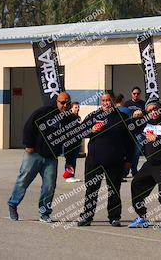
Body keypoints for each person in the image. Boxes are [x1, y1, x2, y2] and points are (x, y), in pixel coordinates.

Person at [7, 92, 79, 223]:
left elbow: (73, 143)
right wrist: (28, 144)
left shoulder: (70, 120)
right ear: (57, 102)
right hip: (34, 154)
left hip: (51, 157)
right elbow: (29, 126)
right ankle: (13, 204)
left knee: (49, 186)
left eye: (67, 103)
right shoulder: (44, 112)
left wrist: (70, 162)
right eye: (62, 102)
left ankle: (44, 212)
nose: (65, 105)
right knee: (23, 180)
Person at [77, 93, 133, 227]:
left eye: (108, 100)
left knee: (114, 189)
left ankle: (114, 217)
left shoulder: (122, 117)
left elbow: (130, 141)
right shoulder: (93, 116)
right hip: (94, 160)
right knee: (91, 189)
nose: (106, 103)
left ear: (113, 102)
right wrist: (91, 130)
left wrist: (129, 160)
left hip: (115, 160)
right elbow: (80, 132)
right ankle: (87, 217)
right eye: (103, 100)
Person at [128, 98, 161, 230]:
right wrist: (134, 118)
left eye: (155, 108)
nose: (153, 112)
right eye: (150, 110)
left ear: (160, 107)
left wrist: (158, 139)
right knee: (136, 185)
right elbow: (131, 129)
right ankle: (141, 217)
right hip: (151, 163)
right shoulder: (145, 121)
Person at [124, 86, 146, 177]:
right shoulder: (127, 104)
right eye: (134, 93)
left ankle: (134, 171)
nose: (136, 95)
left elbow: (147, 116)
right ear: (131, 94)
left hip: (140, 132)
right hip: (129, 133)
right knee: (127, 152)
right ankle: (125, 171)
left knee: (136, 153)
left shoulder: (143, 104)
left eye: (138, 93)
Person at [63, 101, 82, 183]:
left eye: (78, 107)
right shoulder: (68, 118)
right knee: (69, 159)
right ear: (71, 108)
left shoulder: (78, 118)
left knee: (73, 159)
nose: (77, 109)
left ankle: (72, 175)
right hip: (70, 142)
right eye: (75, 107)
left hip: (77, 142)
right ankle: (68, 176)